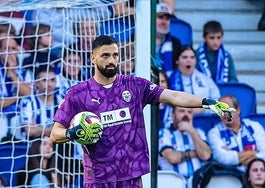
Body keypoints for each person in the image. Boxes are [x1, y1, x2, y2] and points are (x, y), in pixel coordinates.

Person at [50, 35, 234, 187]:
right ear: (92, 58)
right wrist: (72, 132)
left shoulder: (134, 85)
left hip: (131, 176)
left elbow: (173, 97)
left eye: (115, 55)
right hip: (99, 178)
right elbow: (54, 134)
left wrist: (207, 102)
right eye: (105, 55)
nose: (112, 60)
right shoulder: (78, 93)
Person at [208, 95, 265, 172]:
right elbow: (223, 158)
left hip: (256, 175)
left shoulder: (254, 126)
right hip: (230, 178)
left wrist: (233, 156)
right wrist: (254, 153)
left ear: (238, 110)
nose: (225, 113)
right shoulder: (214, 133)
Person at [158, 106, 211, 180]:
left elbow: (205, 155)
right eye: (181, 111)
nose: (186, 115)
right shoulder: (163, 133)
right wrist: (196, 153)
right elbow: (172, 158)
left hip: (198, 182)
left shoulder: (199, 133)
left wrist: (192, 131)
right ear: (173, 116)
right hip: (174, 183)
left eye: (189, 112)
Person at [0, 37, 32, 141]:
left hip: (20, 122)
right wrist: (18, 96)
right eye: (6, 48)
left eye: (13, 48)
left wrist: (12, 73)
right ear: (0, 51)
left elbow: (29, 94)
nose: (10, 52)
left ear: (18, 51)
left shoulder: (24, 72)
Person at [19, 66, 62, 140]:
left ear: (56, 82)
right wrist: (55, 130)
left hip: (57, 145)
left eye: (52, 80)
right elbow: (30, 131)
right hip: (34, 145)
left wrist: (38, 129)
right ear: (36, 83)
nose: (49, 84)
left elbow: (68, 129)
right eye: (44, 80)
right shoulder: (28, 101)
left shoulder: (61, 100)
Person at [155, 2, 182, 72]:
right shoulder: (139, 39)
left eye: (167, 18)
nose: (164, 22)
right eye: (160, 17)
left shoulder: (176, 43)